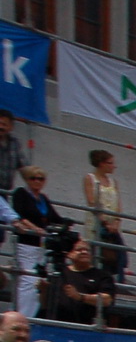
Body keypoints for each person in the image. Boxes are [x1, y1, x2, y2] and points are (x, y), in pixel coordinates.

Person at [11, 166, 62, 319]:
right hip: (26, 243)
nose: (37, 181)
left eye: (41, 179)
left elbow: (55, 218)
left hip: (41, 245)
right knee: (28, 279)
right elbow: (19, 215)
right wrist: (35, 228)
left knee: (39, 280)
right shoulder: (21, 193)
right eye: (33, 178)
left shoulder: (43, 198)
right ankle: (22, 316)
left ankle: (31, 316)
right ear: (27, 180)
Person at [82, 150, 126, 277]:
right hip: (97, 223)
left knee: (114, 255)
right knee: (95, 252)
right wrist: (104, 222)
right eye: (110, 163)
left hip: (112, 225)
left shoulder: (113, 182)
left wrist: (116, 222)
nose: (114, 166)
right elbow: (92, 201)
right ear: (101, 164)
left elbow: (118, 204)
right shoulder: (90, 178)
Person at [55, 239, 114, 325]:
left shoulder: (102, 276)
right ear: (69, 254)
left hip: (87, 327)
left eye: (87, 250)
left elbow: (107, 300)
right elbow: (45, 303)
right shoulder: (60, 273)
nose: (84, 252)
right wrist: (44, 289)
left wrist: (80, 297)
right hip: (57, 325)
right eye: (79, 250)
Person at [0, 110, 32, 196]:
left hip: (4, 193)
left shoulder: (14, 144)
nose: (1, 127)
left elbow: (25, 168)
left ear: (11, 127)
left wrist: (35, 181)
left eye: (4, 124)